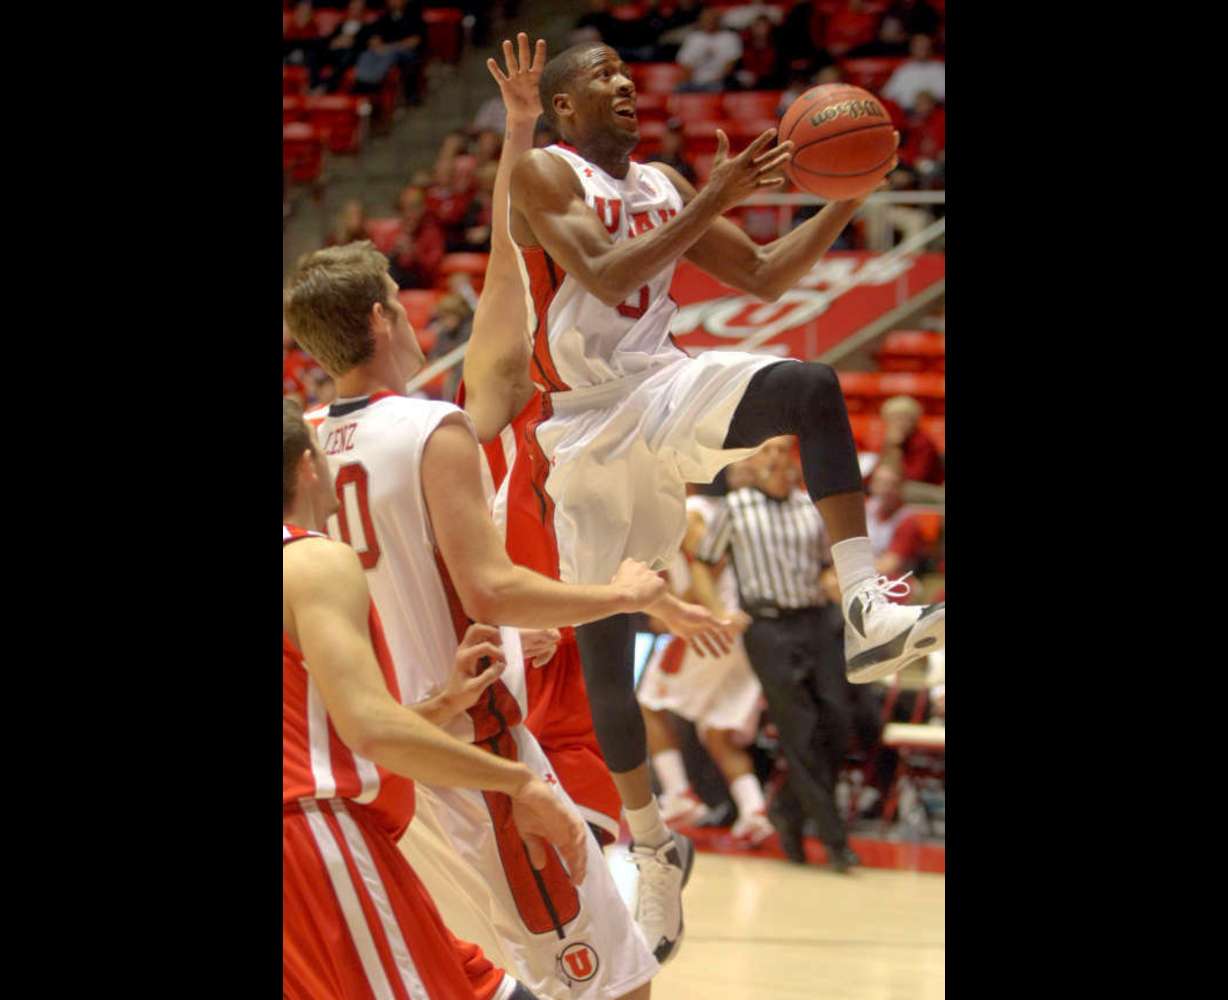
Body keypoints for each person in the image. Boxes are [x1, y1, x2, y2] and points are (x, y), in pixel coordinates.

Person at [505, 40, 945, 958]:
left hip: (662, 388)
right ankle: (652, 845)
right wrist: (722, 194)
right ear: (563, 107)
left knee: (812, 386)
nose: (625, 84)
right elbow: (609, 274)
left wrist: (845, 199)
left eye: (630, 73)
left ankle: (864, 601)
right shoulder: (544, 175)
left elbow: (768, 276)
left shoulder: (664, 182)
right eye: (602, 78)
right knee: (607, 648)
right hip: (583, 426)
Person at [283, 41, 667, 1000]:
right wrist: (612, 596)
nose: (420, 319)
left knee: (479, 982)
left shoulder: (304, 444)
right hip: (471, 749)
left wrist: (525, 132)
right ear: (383, 317)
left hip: (381, 763)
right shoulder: (430, 427)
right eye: (403, 308)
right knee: (616, 984)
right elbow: (507, 286)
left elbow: (504, 283)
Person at [459, 34, 733, 960]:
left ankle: (640, 870)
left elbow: (515, 260)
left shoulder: (564, 411)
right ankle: (638, 872)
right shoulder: (481, 425)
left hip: (577, 626)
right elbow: (514, 256)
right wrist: (527, 135)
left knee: (563, 870)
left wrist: (666, 596)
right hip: (538, 643)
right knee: (542, 870)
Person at [283, 398, 588, 1000]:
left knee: (489, 988)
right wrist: (518, 782)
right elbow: (369, 729)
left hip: (327, 849)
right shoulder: (311, 558)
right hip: (313, 845)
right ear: (308, 468)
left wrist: (443, 703)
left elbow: (327, 729)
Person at [692, 437, 867, 872]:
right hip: (767, 626)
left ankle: (788, 809)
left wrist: (832, 579)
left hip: (816, 619)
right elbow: (702, 562)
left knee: (838, 719)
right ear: (752, 461)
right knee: (799, 729)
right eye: (765, 451)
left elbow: (829, 563)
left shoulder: (809, 506)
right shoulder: (736, 506)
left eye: (781, 451)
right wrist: (719, 612)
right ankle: (834, 841)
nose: (774, 458)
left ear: (791, 460)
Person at [638, 480, 774, 846]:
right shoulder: (722, 511)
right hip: (741, 630)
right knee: (717, 730)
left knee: (648, 704)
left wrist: (676, 605)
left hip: (710, 626)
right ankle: (754, 812)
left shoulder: (691, 512)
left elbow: (708, 563)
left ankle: (679, 795)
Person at [354, 0, 426, 105]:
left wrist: (391, 47)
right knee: (367, 54)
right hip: (384, 50)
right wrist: (377, 46)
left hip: (404, 52)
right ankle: (362, 80)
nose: (393, 2)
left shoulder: (414, 17)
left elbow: (414, 41)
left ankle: (373, 81)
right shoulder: (384, 18)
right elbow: (375, 37)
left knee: (392, 55)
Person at [875, 394, 944, 487]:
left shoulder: (923, 441)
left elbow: (916, 477)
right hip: (898, 488)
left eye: (903, 418)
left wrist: (896, 448)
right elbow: (878, 471)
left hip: (926, 489)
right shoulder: (891, 440)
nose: (898, 423)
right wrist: (892, 446)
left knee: (889, 486)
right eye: (893, 418)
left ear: (914, 420)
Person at [388, 186, 445, 289]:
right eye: (405, 208)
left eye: (413, 208)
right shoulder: (395, 232)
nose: (409, 213)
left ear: (422, 209)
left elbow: (433, 269)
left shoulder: (432, 233)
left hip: (422, 285)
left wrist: (414, 254)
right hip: (396, 287)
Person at [675, 6, 743, 92]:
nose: (709, 21)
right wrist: (693, 82)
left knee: (717, 87)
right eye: (706, 19)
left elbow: (730, 66)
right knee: (680, 89)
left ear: (718, 20)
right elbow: (685, 64)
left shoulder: (730, 37)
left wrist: (715, 80)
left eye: (712, 19)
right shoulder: (693, 38)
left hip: (718, 82)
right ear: (700, 20)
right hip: (694, 81)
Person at [882, 33, 946, 111]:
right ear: (912, 48)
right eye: (919, 47)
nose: (923, 50)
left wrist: (929, 98)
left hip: (937, 113)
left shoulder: (941, 69)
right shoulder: (903, 70)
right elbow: (887, 95)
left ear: (931, 48)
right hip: (907, 114)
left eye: (925, 46)